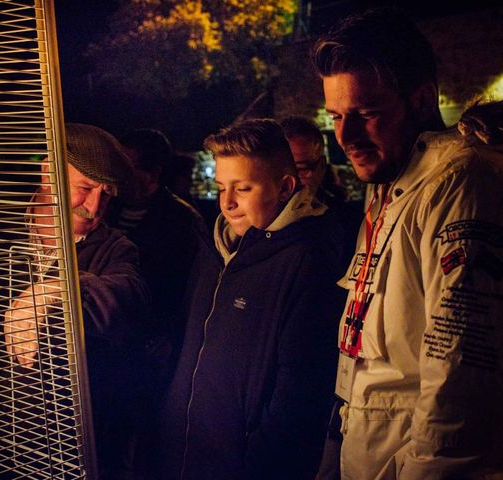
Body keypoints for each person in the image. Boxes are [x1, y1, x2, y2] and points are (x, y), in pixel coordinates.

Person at [313, 8, 503, 479]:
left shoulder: (459, 181)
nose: (345, 137)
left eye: (366, 114)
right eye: (335, 116)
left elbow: (457, 377)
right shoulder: (390, 182)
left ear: (421, 100)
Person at [151, 119, 343, 479]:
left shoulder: (307, 261)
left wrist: (256, 465)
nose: (227, 203)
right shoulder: (214, 250)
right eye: (221, 187)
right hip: (183, 460)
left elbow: (299, 394)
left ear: (285, 187)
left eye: (243, 188)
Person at [5, 123, 152, 479]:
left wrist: (57, 289)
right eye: (85, 188)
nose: (95, 205)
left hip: (69, 446)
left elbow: (129, 296)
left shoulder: (115, 248)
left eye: (107, 194)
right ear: (47, 172)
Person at [106, 128, 208, 373]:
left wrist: (167, 336)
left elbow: (191, 290)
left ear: (152, 175)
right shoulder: (107, 208)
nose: (116, 175)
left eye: (126, 168)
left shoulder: (181, 220)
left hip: (152, 348)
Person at [280, 115, 361, 269]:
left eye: (301, 170)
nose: (290, 182)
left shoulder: (350, 224)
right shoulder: (257, 225)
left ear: (322, 166)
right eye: (279, 172)